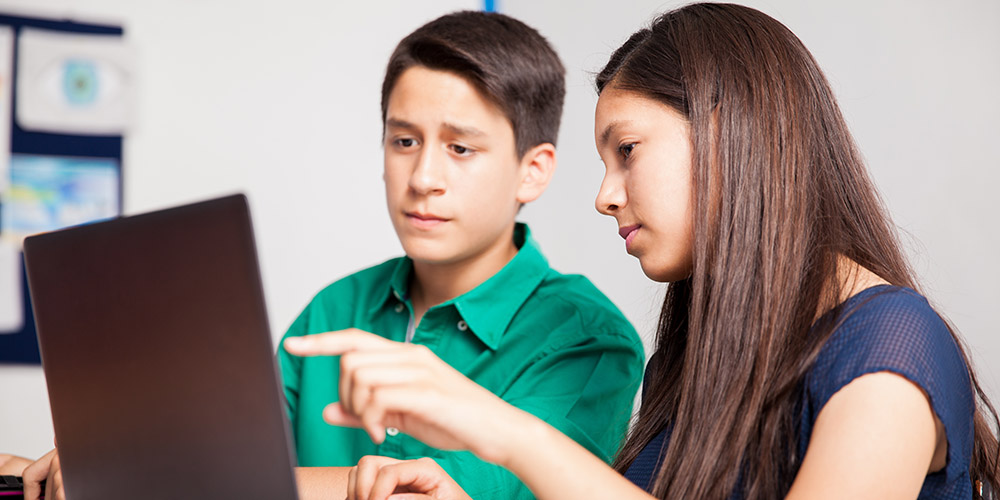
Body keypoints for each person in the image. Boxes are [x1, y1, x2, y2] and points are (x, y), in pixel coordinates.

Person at [283, 3, 1000, 500]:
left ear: (728, 133)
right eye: (403, 140)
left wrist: (499, 430)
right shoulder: (697, 359)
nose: (604, 196)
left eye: (626, 151)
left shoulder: (890, 344)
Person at [3, 10, 645, 500]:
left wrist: (146, 475)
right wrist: (105, 464)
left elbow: (431, 493)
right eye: (404, 141)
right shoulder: (336, 309)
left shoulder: (588, 341)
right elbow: (230, 463)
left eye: (460, 148)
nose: (423, 178)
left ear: (533, 171)